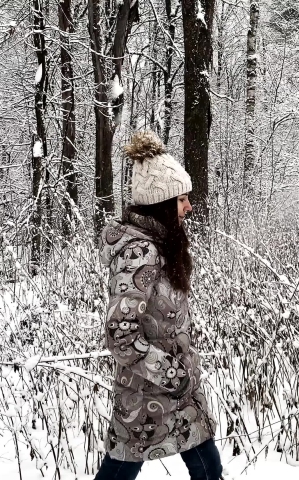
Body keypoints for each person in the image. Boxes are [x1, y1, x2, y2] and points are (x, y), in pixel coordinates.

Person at [96, 131, 222, 480]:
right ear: (162, 204)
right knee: (121, 469)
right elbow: (121, 334)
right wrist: (173, 373)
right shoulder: (140, 252)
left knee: (208, 468)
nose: (189, 207)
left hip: (177, 395)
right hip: (147, 395)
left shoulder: (160, 246)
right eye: (182, 199)